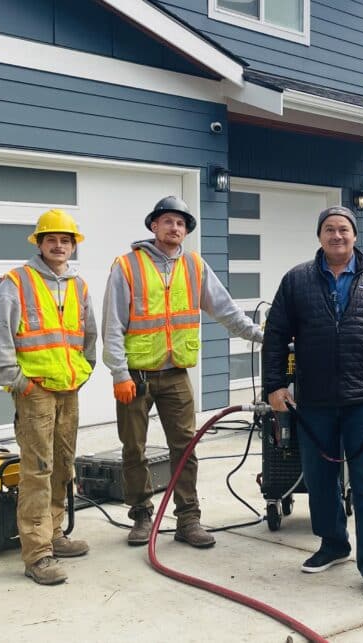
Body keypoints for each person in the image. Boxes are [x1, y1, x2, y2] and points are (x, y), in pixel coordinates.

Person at [262, 206, 363, 600]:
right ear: (320, 236)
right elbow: (276, 335)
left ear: (354, 235)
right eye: (329, 230)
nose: (337, 236)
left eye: (344, 229)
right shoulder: (297, 280)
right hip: (313, 399)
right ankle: (333, 544)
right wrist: (275, 386)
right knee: (320, 480)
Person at [102, 196, 262, 548]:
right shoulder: (127, 266)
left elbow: (227, 311)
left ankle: (188, 519)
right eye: (168, 221)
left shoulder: (194, 266)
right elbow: (112, 325)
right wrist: (118, 374)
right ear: (153, 226)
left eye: (181, 223)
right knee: (134, 449)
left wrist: (262, 336)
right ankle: (141, 515)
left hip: (176, 375)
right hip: (136, 376)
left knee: (186, 448)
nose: (175, 228)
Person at [0, 209, 97, 585]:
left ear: (73, 246)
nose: (58, 246)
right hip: (35, 393)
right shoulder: (19, 281)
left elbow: (88, 336)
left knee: (63, 466)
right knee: (37, 471)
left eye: (65, 240)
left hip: (68, 390)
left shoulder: (79, 286)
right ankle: (37, 554)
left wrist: (84, 370)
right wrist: (17, 381)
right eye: (51, 240)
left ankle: (55, 534)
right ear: (40, 244)